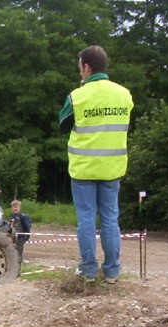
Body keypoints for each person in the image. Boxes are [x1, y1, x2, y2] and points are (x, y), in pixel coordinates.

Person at [58, 45, 133, 284]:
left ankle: (88, 270)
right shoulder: (124, 94)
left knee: (87, 219)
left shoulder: (76, 97)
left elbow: (62, 125)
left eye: (80, 68)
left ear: (87, 67)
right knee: (111, 218)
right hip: (112, 168)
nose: (80, 72)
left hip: (84, 169)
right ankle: (112, 271)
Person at [9, 200, 32, 265]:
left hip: (20, 237)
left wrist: (27, 237)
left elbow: (27, 227)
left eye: (16, 207)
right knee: (12, 251)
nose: (15, 209)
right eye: (13, 207)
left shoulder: (23, 216)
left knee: (19, 251)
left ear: (19, 207)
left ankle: (19, 264)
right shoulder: (12, 216)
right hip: (12, 237)